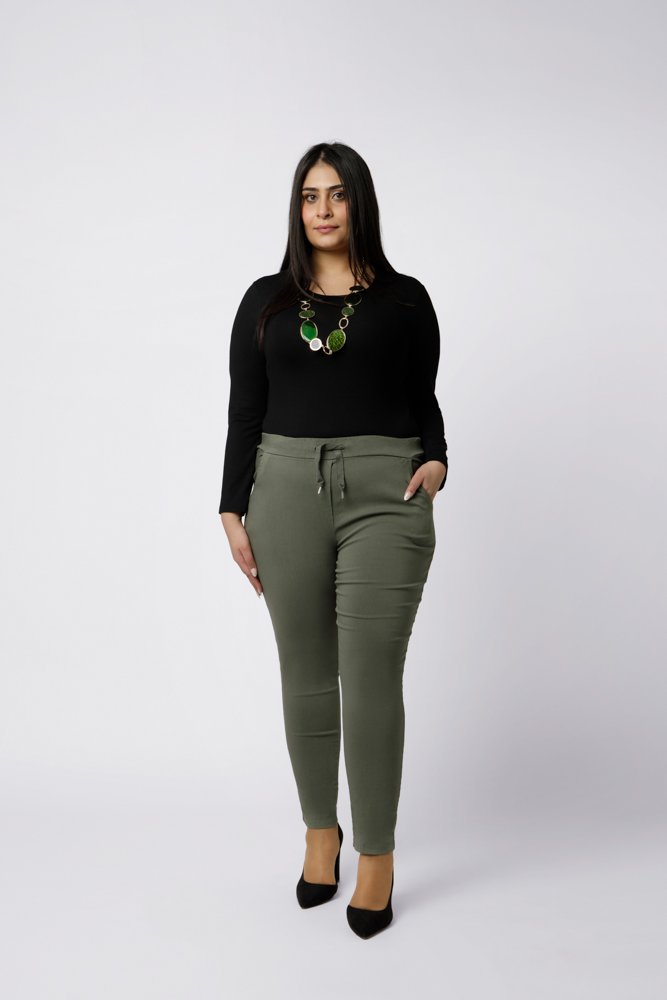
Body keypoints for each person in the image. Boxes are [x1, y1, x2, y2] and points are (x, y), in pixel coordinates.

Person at [218, 141, 448, 938]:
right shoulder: (265, 301)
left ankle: (376, 855)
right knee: (306, 674)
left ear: (359, 203)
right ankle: (322, 833)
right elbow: (244, 409)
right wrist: (231, 508)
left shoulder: (405, 300)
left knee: (371, 675)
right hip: (282, 491)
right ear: (297, 207)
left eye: (337, 194)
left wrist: (436, 460)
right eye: (310, 195)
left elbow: (423, 397)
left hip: (385, 492)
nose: (322, 209)